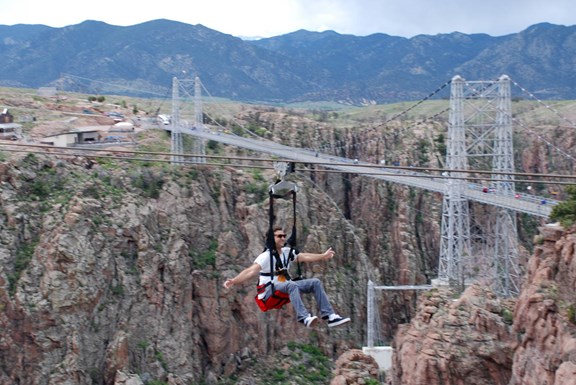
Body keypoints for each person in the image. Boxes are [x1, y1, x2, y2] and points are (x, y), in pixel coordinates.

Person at [223, 227, 351, 328]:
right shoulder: (266, 256)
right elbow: (250, 271)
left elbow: (304, 257)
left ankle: (329, 316)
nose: (283, 238)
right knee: (292, 284)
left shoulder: (286, 253)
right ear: (271, 239)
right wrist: (234, 281)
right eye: (279, 236)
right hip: (269, 292)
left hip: (285, 287)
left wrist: (323, 256)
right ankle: (304, 317)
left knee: (315, 282)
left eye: (284, 236)